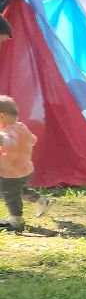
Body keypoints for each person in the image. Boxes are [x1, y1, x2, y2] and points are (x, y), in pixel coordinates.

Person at [0, 95, 47, 232]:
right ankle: (41, 200)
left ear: (2, 117)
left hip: (11, 173)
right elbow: (33, 140)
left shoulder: (7, 133)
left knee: (10, 193)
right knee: (17, 190)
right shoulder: (21, 127)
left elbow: (8, 141)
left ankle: (16, 219)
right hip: (25, 170)